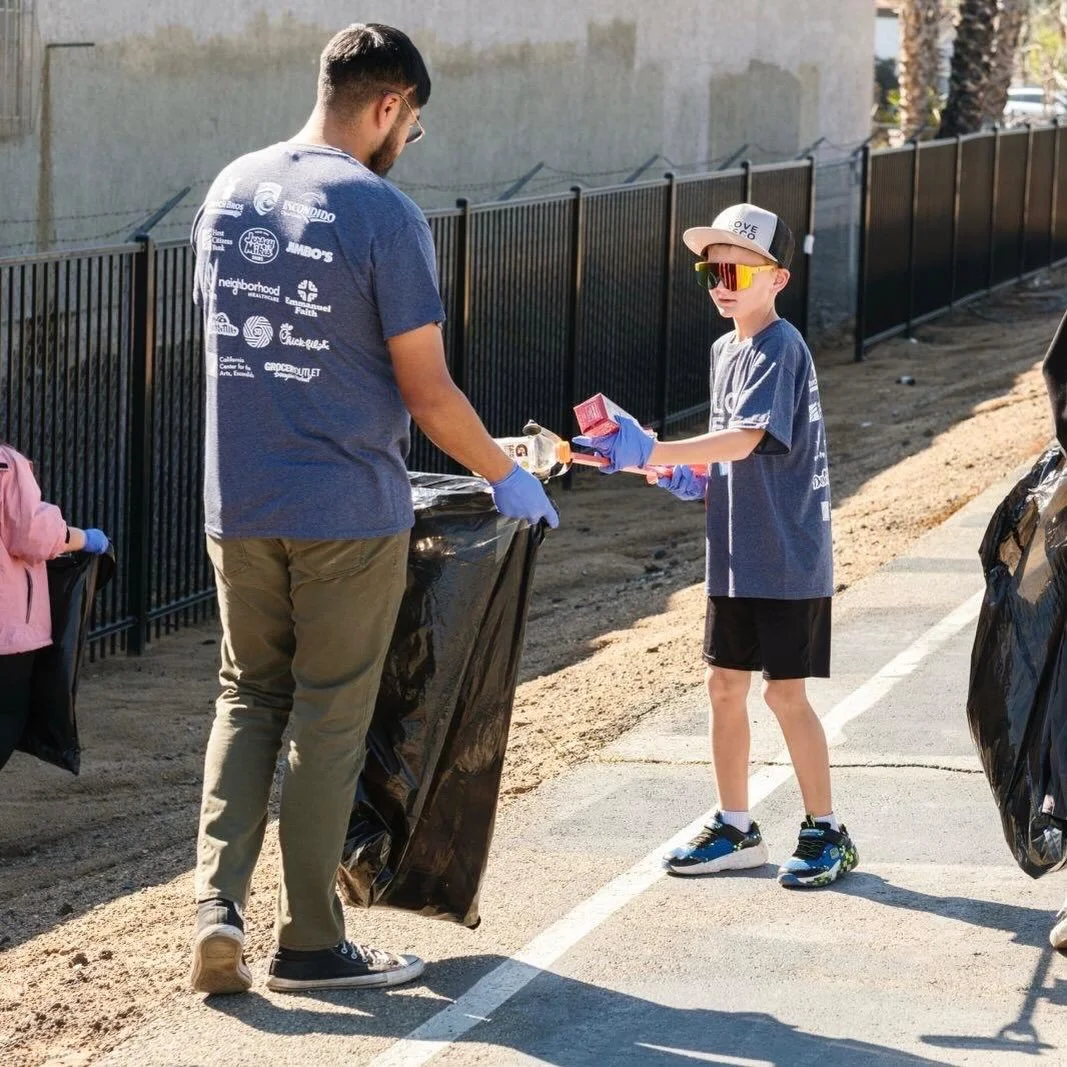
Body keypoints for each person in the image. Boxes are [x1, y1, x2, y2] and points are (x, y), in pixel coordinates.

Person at [189, 23, 557, 996]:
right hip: (344, 507)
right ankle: (311, 940)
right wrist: (507, 476)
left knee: (245, 691)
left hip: (238, 501)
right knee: (326, 712)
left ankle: (214, 912)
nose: (408, 144)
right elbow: (429, 394)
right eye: (414, 125)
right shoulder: (382, 214)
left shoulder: (228, 193)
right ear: (388, 106)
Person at [573, 203, 857, 889]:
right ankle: (736, 826)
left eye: (736, 267)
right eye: (710, 268)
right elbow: (726, 456)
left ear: (777, 277)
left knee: (783, 694)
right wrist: (668, 468)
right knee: (723, 685)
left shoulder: (779, 346)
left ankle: (827, 831)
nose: (720, 280)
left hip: (786, 555)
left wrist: (657, 445)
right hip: (734, 551)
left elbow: (750, 439)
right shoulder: (725, 350)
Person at [0, 441, 109, 770]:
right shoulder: (6, 464)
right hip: (7, 629)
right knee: (7, 716)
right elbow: (31, 533)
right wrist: (81, 537)